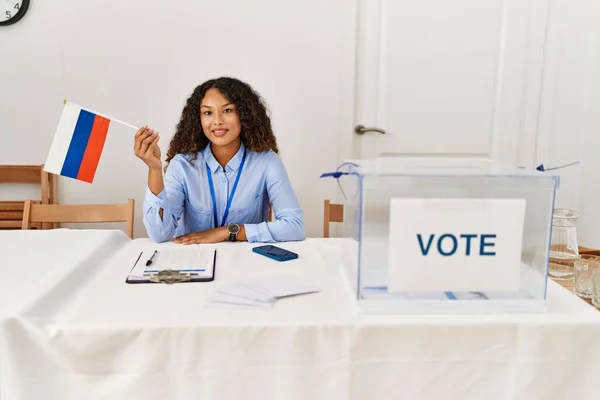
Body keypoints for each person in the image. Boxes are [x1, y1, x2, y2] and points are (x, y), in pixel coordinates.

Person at [134, 77, 305, 244]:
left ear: (244, 115)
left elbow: (294, 226)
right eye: (208, 113)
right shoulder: (182, 165)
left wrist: (227, 232)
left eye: (228, 110)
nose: (217, 121)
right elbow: (160, 235)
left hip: (246, 261)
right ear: (198, 119)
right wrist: (155, 169)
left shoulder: (267, 162)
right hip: (194, 260)